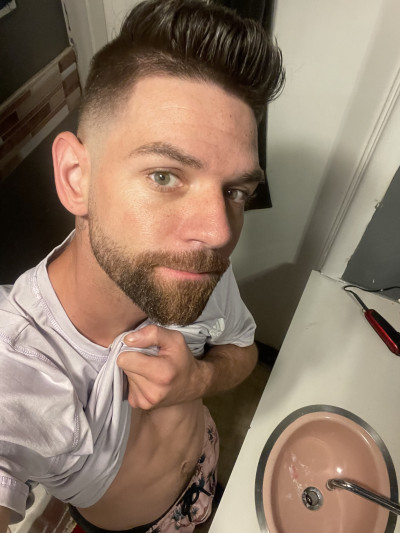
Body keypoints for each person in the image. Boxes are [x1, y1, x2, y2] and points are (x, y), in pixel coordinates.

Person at [0, 0, 284, 531]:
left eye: (235, 191)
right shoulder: (17, 364)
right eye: (164, 175)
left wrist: (198, 377)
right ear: (76, 177)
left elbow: (242, 349)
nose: (219, 233)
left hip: (206, 461)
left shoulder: (194, 270)